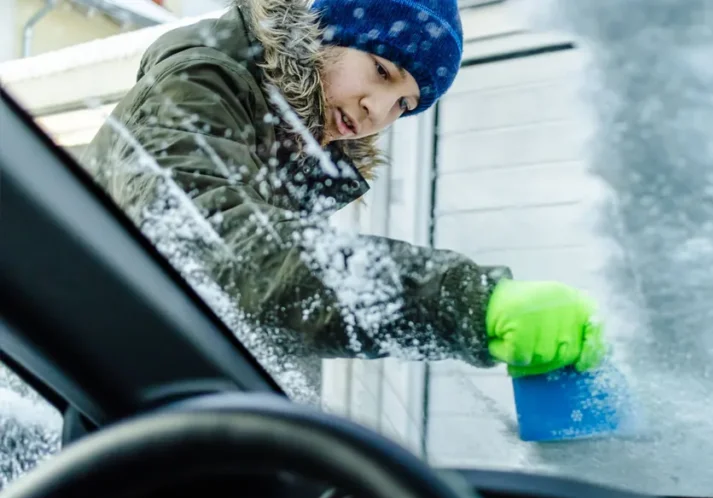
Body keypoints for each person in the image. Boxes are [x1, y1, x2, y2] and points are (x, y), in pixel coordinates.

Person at [80, 0, 605, 380]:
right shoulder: (198, 84)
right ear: (323, 28)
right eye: (381, 72)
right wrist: (470, 303)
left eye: (404, 104)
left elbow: (274, 322)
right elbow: (219, 252)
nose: (379, 111)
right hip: (75, 410)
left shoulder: (290, 150)